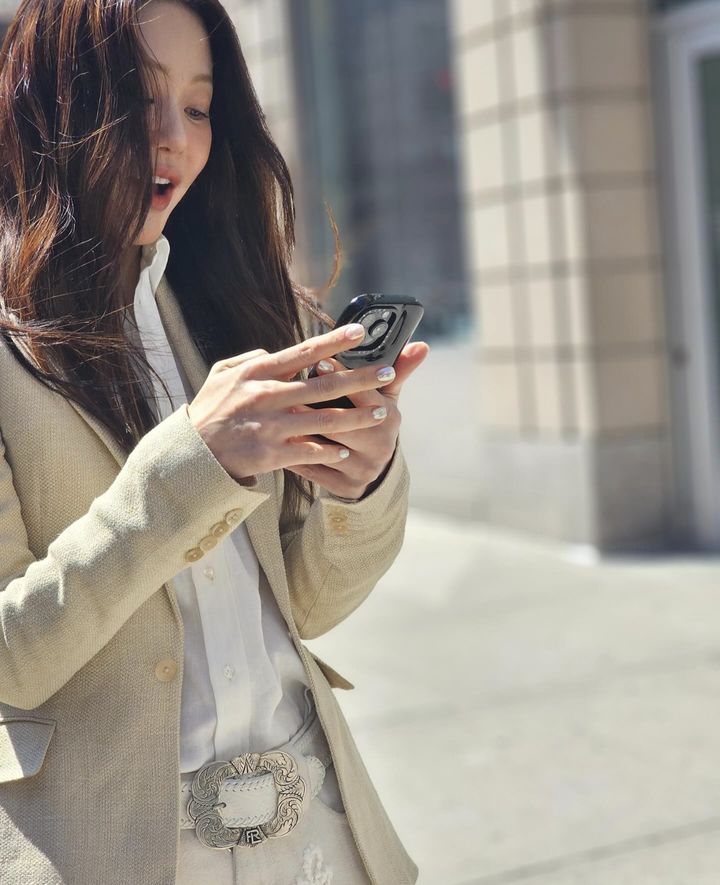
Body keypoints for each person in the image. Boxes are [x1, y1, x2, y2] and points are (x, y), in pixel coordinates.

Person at [0, 0, 429, 883]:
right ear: (49, 104)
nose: (175, 140)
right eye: (138, 98)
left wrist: (362, 484)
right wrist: (194, 461)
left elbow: (306, 606)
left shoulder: (223, 314)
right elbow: (11, 656)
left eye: (197, 107)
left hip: (322, 841)